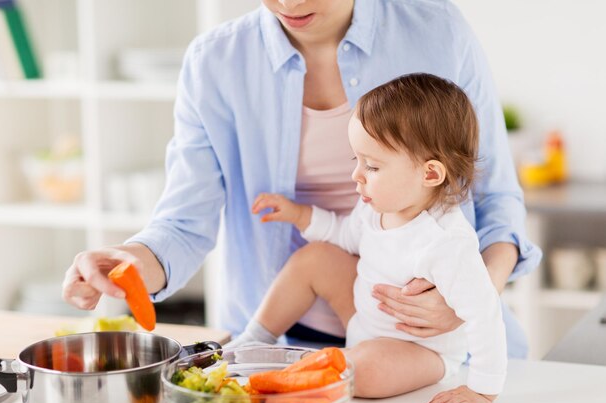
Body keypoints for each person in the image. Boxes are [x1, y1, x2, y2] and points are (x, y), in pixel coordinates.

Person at [62, 0, 541, 357]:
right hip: (277, 348)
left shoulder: (436, 30)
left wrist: (470, 297)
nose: (289, 4)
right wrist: (130, 262)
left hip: (438, 343)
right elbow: (184, 225)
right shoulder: (216, 63)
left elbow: (497, 198)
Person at [228, 73, 506, 403]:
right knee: (315, 257)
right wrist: (301, 215)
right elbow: (346, 235)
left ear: (430, 174)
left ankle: (296, 378)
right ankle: (253, 340)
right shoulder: (377, 206)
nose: (356, 175)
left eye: (372, 166)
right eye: (356, 160)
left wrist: (483, 387)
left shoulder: (446, 241)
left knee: (365, 372)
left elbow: (484, 314)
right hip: (364, 320)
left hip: (419, 350)